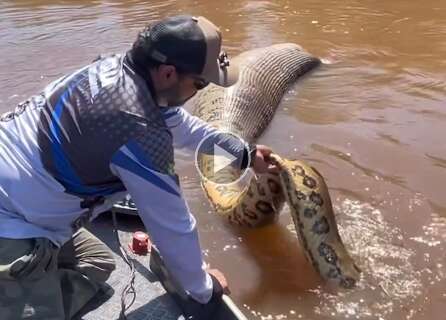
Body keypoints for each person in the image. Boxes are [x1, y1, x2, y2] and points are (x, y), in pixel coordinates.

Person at [0, 15, 275, 319]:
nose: (199, 91)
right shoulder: (137, 128)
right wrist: (203, 287)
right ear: (169, 73)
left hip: (29, 206)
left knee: (98, 263)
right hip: (9, 219)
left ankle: (27, 282)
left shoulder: (121, 70)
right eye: (199, 83)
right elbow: (173, 223)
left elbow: (184, 127)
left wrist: (245, 155)